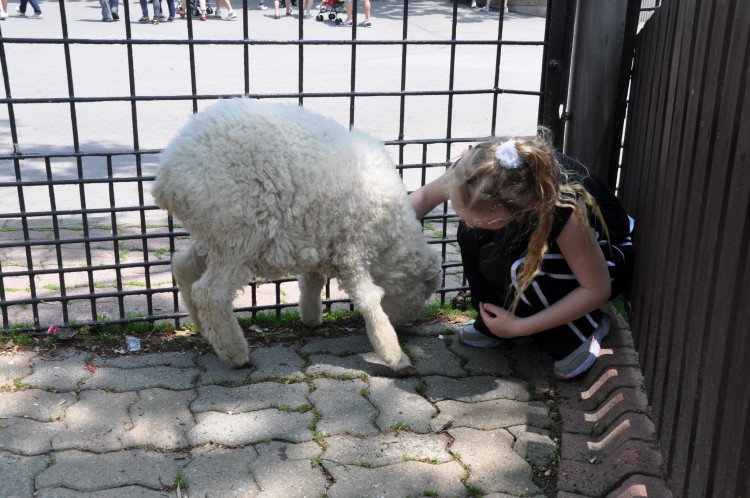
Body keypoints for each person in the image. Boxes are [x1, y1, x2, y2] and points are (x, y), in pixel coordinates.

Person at [409, 131, 634, 380]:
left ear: (522, 210)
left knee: (518, 268)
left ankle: (582, 328)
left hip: (607, 260)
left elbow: (596, 289)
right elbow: (423, 199)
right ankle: (499, 327)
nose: (471, 225)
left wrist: (520, 326)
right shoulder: (474, 172)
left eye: (483, 221)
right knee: (471, 235)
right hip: (556, 247)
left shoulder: (563, 208)